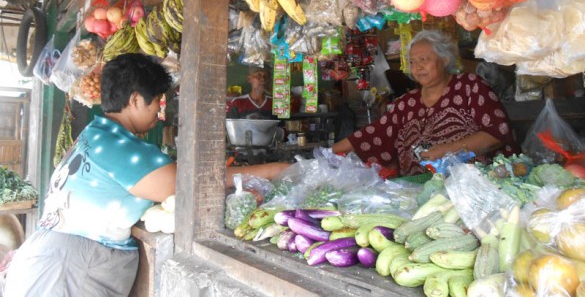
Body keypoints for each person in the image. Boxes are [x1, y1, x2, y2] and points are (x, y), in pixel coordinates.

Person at [3, 53, 289, 296]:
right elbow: (191, 185)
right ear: (137, 99)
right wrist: (273, 170)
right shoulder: (118, 147)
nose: (160, 114)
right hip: (65, 273)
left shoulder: (97, 134)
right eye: (157, 103)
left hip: (55, 262)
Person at [331, 30, 517, 177]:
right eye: (412, 62)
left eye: (424, 60)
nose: (417, 67)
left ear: (444, 60)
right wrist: (328, 153)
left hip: (477, 185)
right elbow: (374, 134)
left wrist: (448, 149)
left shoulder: (470, 86)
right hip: (420, 190)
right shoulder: (406, 103)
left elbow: (497, 133)